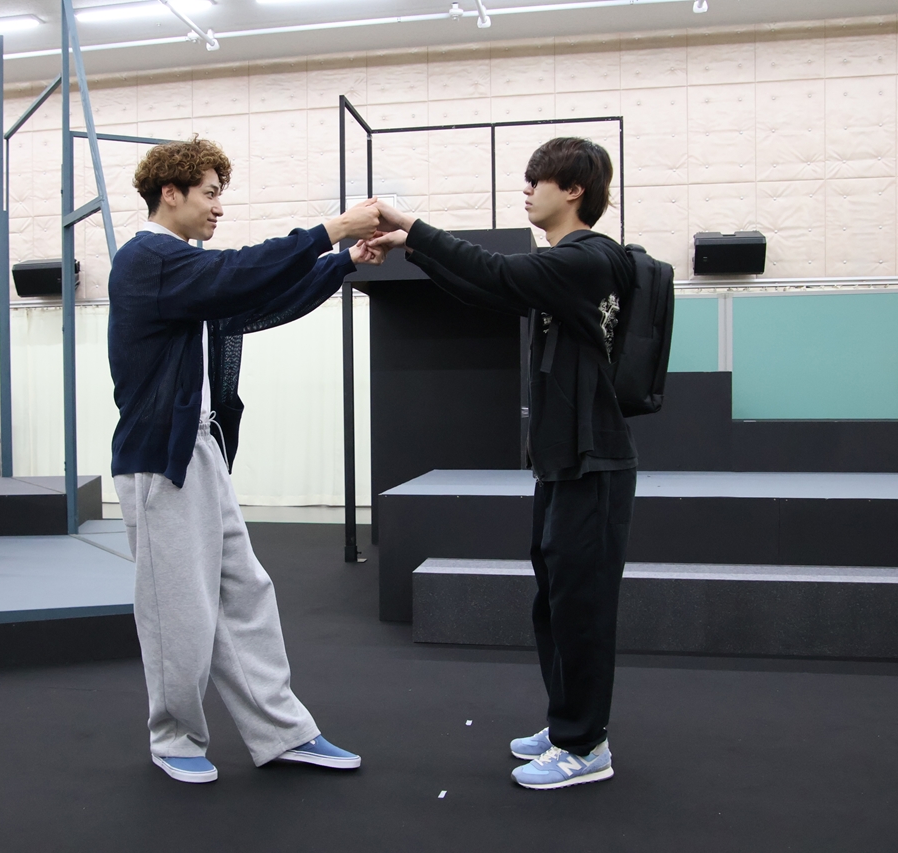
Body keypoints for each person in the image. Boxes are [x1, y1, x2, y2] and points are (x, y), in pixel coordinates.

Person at [108, 136, 386, 784]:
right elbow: (239, 274)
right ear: (170, 193)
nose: (218, 207)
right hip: (161, 461)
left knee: (245, 593)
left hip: (199, 451)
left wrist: (342, 261)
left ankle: (281, 731)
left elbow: (257, 301)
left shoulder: (183, 270)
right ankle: (173, 735)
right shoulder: (147, 258)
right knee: (178, 609)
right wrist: (331, 230)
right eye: (209, 194)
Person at [370, 137, 636, 790]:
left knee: (581, 609)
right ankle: (568, 720)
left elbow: (495, 272)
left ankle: (586, 745)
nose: (526, 190)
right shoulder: (563, 268)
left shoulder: (590, 259)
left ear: (573, 189)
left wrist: (413, 226)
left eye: (536, 180)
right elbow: (487, 288)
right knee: (556, 604)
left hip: (592, 465)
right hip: (564, 464)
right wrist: (414, 250)